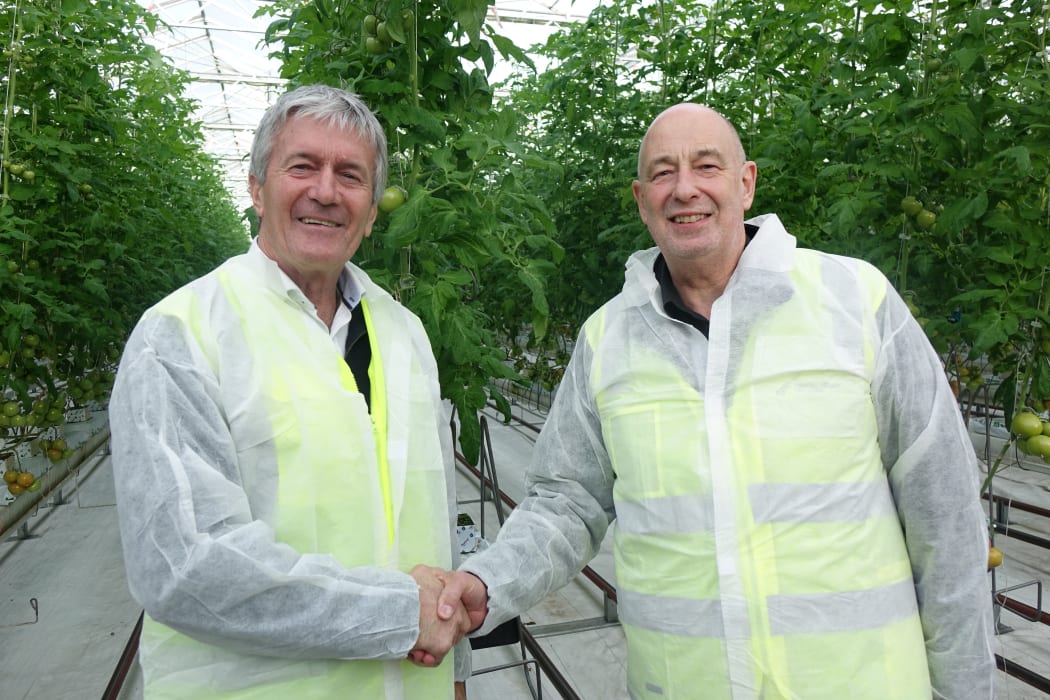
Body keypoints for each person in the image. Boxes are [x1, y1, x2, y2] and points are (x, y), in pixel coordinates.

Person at [434, 103, 995, 698]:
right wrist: (487, 582)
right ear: (640, 197)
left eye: (707, 166)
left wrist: (965, 690)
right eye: (662, 173)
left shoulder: (854, 300)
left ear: (746, 182)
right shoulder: (608, 338)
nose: (685, 189)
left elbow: (946, 517)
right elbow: (568, 503)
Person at [109, 84, 472, 699]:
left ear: (373, 207)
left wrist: (458, 674)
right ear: (256, 187)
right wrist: (397, 612)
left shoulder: (404, 332)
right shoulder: (182, 332)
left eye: (350, 175)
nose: (325, 192)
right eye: (302, 166)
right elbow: (185, 567)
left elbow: (434, 520)